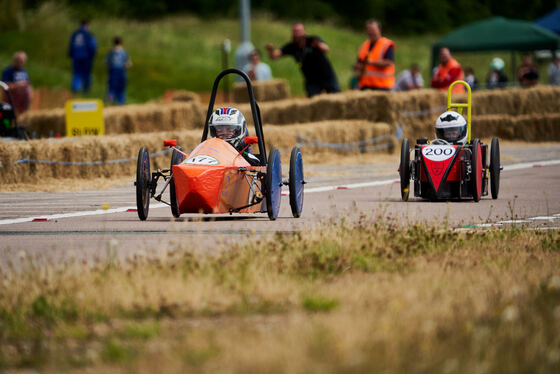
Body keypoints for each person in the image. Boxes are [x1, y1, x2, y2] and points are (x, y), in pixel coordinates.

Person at [265, 22, 340, 97]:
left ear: (304, 32)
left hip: (326, 76)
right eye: (295, 31)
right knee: (313, 101)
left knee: (336, 97)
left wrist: (319, 45)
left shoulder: (313, 40)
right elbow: (274, 56)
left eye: (299, 31)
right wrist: (271, 50)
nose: (297, 34)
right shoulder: (292, 47)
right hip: (311, 80)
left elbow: (326, 49)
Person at [356, 19, 396, 91]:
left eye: (372, 29)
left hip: (382, 87)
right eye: (368, 29)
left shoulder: (386, 44)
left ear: (379, 30)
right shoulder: (364, 45)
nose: (370, 32)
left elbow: (389, 62)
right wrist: (358, 71)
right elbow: (359, 62)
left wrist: (371, 62)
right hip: (365, 85)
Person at [68, 19, 97, 93]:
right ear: (87, 25)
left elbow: (71, 46)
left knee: (77, 73)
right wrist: (93, 56)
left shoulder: (75, 34)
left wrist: (71, 54)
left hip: (76, 57)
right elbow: (92, 46)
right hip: (86, 57)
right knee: (86, 74)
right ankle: (86, 90)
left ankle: (76, 89)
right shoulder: (89, 35)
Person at [106, 37, 131, 105]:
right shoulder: (123, 52)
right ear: (121, 43)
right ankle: (121, 103)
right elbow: (128, 64)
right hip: (121, 71)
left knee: (112, 87)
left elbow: (107, 63)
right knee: (121, 87)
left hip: (113, 71)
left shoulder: (111, 52)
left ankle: (109, 101)